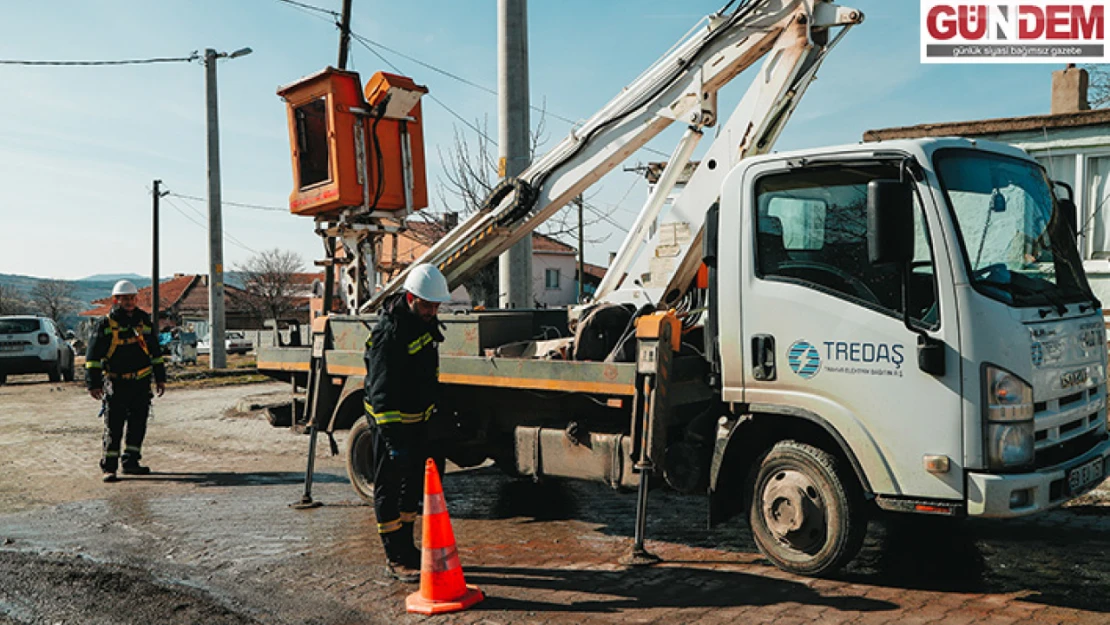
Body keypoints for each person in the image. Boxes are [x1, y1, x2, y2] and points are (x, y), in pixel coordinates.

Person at [363, 264, 450, 582]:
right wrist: (394, 441)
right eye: (427, 305)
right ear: (411, 298)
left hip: (416, 425)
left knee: (411, 489)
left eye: (436, 306)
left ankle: (408, 548)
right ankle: (395, 557)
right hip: (392, 427)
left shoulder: (423, 323)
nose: (432, 311)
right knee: (389, 489)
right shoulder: (390, 332)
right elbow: (382, 394)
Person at [85, 280, 167, 482]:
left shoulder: (144, 321)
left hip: (141, 382)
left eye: (131, 298)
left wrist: (160, 378)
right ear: (116, 300)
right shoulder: (105, 325)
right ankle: (109, 467)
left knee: (138, 425)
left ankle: (131, 463)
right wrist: (93, 384)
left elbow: (155, 352)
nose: (129, 302)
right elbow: (93, 357)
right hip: (116, 383)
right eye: (124, 299)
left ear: (136, 299)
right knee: (114, 426)